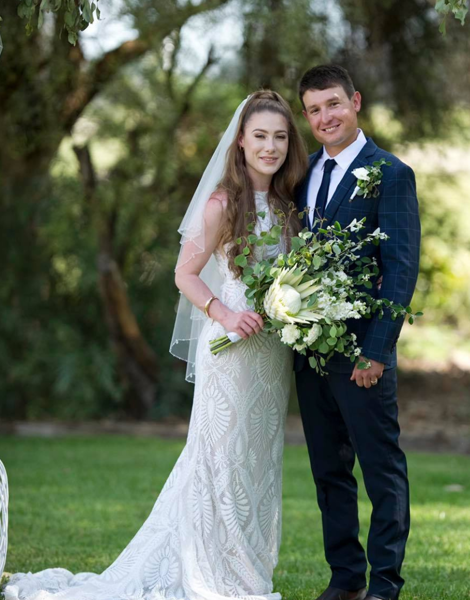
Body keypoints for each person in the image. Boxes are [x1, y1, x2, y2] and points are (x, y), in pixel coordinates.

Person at [4, 90, 308, 600]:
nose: (270, 146)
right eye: (260, 136)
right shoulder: (220, 203)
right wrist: (226, 313)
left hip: (271, 355)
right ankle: (213, 574)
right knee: (219, 461)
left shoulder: (287, 206)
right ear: (240, 141)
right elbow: (184, 274)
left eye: (279, 137)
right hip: (230, 351)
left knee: (257, 463)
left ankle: (247, 570)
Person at [294, 65, 421, 600]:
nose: (325, 117)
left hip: (362, 353)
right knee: (329, 471)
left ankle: (385, 585)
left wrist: (376, 351)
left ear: (356, 102)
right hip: (310, 355)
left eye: (333, 105)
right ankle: (345, 580)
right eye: (314, 109)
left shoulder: (389, 173)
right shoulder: (302, 175)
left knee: (381, 470)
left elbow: (400, 267)